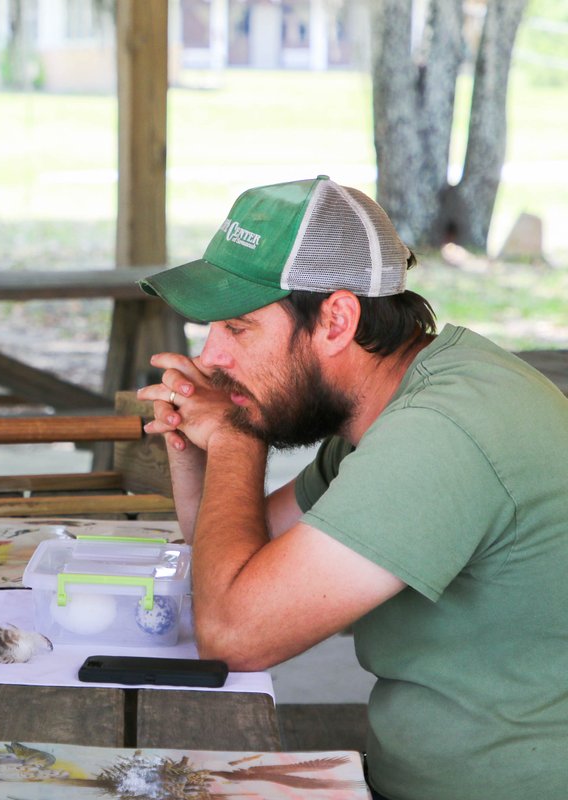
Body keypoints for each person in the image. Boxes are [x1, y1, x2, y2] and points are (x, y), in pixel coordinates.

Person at [136, 175, 568, 800]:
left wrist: (236, 438)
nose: (210, 358)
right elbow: (227, 552)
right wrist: (193, 445)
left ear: (336, 318)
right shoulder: (391, 403)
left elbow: (234, 634)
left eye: (238, 329)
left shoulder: (441, 433)